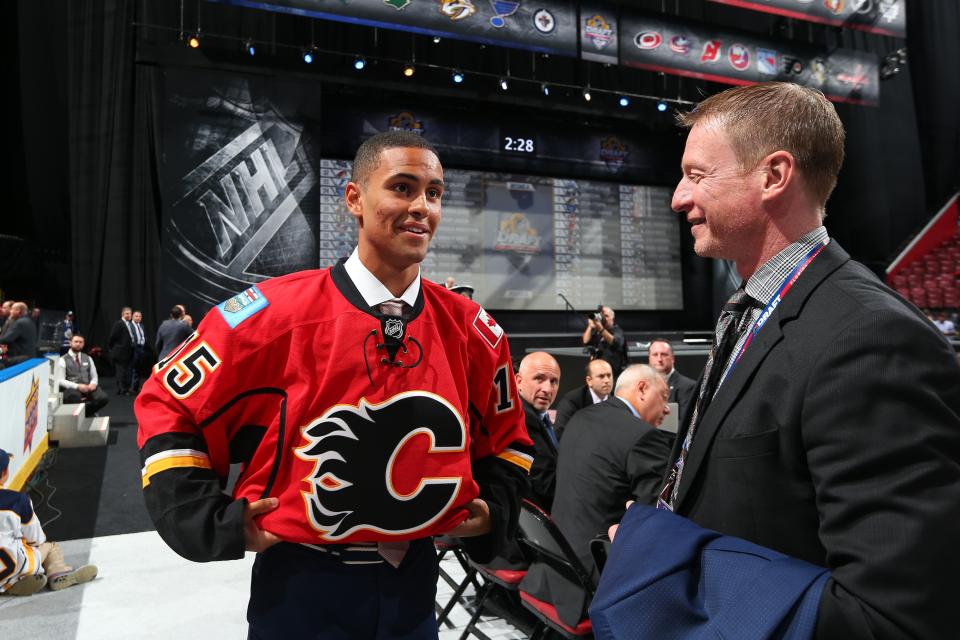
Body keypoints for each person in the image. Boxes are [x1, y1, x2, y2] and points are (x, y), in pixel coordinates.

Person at [134, 131, 533, 639]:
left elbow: (512, 440)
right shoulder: (271, 314)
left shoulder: (474, 330)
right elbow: (167, 402)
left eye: (433, 193)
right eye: (402, 187)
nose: (420, 207)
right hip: (301, 586)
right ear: (354, 200)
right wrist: (211, 522)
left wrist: (494, 511)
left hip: (415, 586)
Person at [599, 82, 960, 639]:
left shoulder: (872, 338)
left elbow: (891, 616)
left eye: (697, 175)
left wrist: (675, 569)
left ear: (773, 176)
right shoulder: (754, 310)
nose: (677, 197)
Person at [522, 364, 673, 628]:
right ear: (642, 388)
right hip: (593, 580)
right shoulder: (644, 437)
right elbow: (657, 517)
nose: (668, 408)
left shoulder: (580, 417)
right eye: (664, 397)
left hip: (553, 567)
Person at [0, 448, 98, 595]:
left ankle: (10, 585)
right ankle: (58, 571)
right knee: (49, 547)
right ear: (5, 473)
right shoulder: (18, 500)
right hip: (13, 565)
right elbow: (36, 539)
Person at [514, 351, 561, 512]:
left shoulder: (538, 416)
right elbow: (546, 483)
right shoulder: (524, 417)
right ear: (518, 381)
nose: (547, 389)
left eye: (554, 381)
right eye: (539, 379)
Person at [553, 358, 613, 438]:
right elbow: (560, 433)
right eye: (601, 376)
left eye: (609, 375)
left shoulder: (615, 401)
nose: (607, 380)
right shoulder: (572, 401)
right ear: (589, 381)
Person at [647, 338, 697, 430]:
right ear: (649, 358)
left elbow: (686, 424)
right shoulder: (643, 385)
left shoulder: (687, 386)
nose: (659, 359)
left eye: (664, 355)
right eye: (655, 354)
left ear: (673, 359)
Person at [54, 334, 109, 416]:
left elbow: (94, 375)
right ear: (70, 343)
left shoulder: (88, 358)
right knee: (74, 397)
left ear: (83, 344)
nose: (78, 344)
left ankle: (87, 413)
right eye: (76, 342)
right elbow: (60, 380)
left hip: (88, 386)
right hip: (72, 388)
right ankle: (81, 415)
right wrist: (77, 386)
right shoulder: (62, 360)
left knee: (103, 398)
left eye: (81, 342)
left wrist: (93, 383)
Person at [581, 305, 627, 376]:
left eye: (606, 316)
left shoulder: (617, 330)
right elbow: (585, 341)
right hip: (599, 370)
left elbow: (615, 342)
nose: (604, 318)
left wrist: (601, 329)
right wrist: (590, 326)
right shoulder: (599, 331)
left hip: (613, 372)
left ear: (612, 318)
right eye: (602, 316)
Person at [107, 307, 135, 395]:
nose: (129, 315)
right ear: (122, 314)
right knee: (121, 372)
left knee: (125, 372)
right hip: (120, 353)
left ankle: (121, 389)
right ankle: (123, 390)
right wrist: (113, 348)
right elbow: (112, 337)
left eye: (130, 313)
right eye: (127, 313)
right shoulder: (119, 324)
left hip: (128, 352)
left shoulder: (130, 324)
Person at [130, 310, 148, 392]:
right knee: (133, 369)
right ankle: (132, 387)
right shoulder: (130, 326)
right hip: (134, 349)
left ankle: (136, 386)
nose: (138, 318)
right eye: (136, 316)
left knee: (138, 369)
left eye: (140, 316)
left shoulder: (141, 326)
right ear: (132, 317)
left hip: (141, 349)